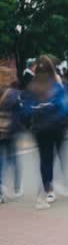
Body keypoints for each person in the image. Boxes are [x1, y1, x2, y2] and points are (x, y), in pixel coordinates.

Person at [21, 55, 68, 209]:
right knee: (60, 153)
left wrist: (35, 114)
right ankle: (63, 181)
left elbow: (25, 111)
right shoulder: (57, 86)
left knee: (45, 158)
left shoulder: (32, 87)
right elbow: (67, 106)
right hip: (57, 127)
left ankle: (48, 189)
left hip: (40, 129)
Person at [0, 67, 23, 203]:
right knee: (13, 159)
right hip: (11, 130)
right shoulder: (13, 94)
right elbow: (21, 111)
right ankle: (16, 187)